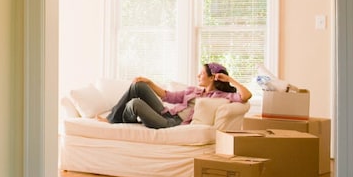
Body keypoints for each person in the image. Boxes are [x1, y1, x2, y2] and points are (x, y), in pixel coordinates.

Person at [106, 62, 252, 129]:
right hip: (165, 113)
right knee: (138, 85)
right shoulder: (193, 91)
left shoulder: (223, 96)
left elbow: (246, 96)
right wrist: (150, 82)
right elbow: (167, 96)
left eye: (201, 74)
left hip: (172, 123)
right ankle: (113, 118)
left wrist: (230, 80)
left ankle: (115, 120)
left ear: (212, 77)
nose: (198, 75)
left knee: (135, 104)